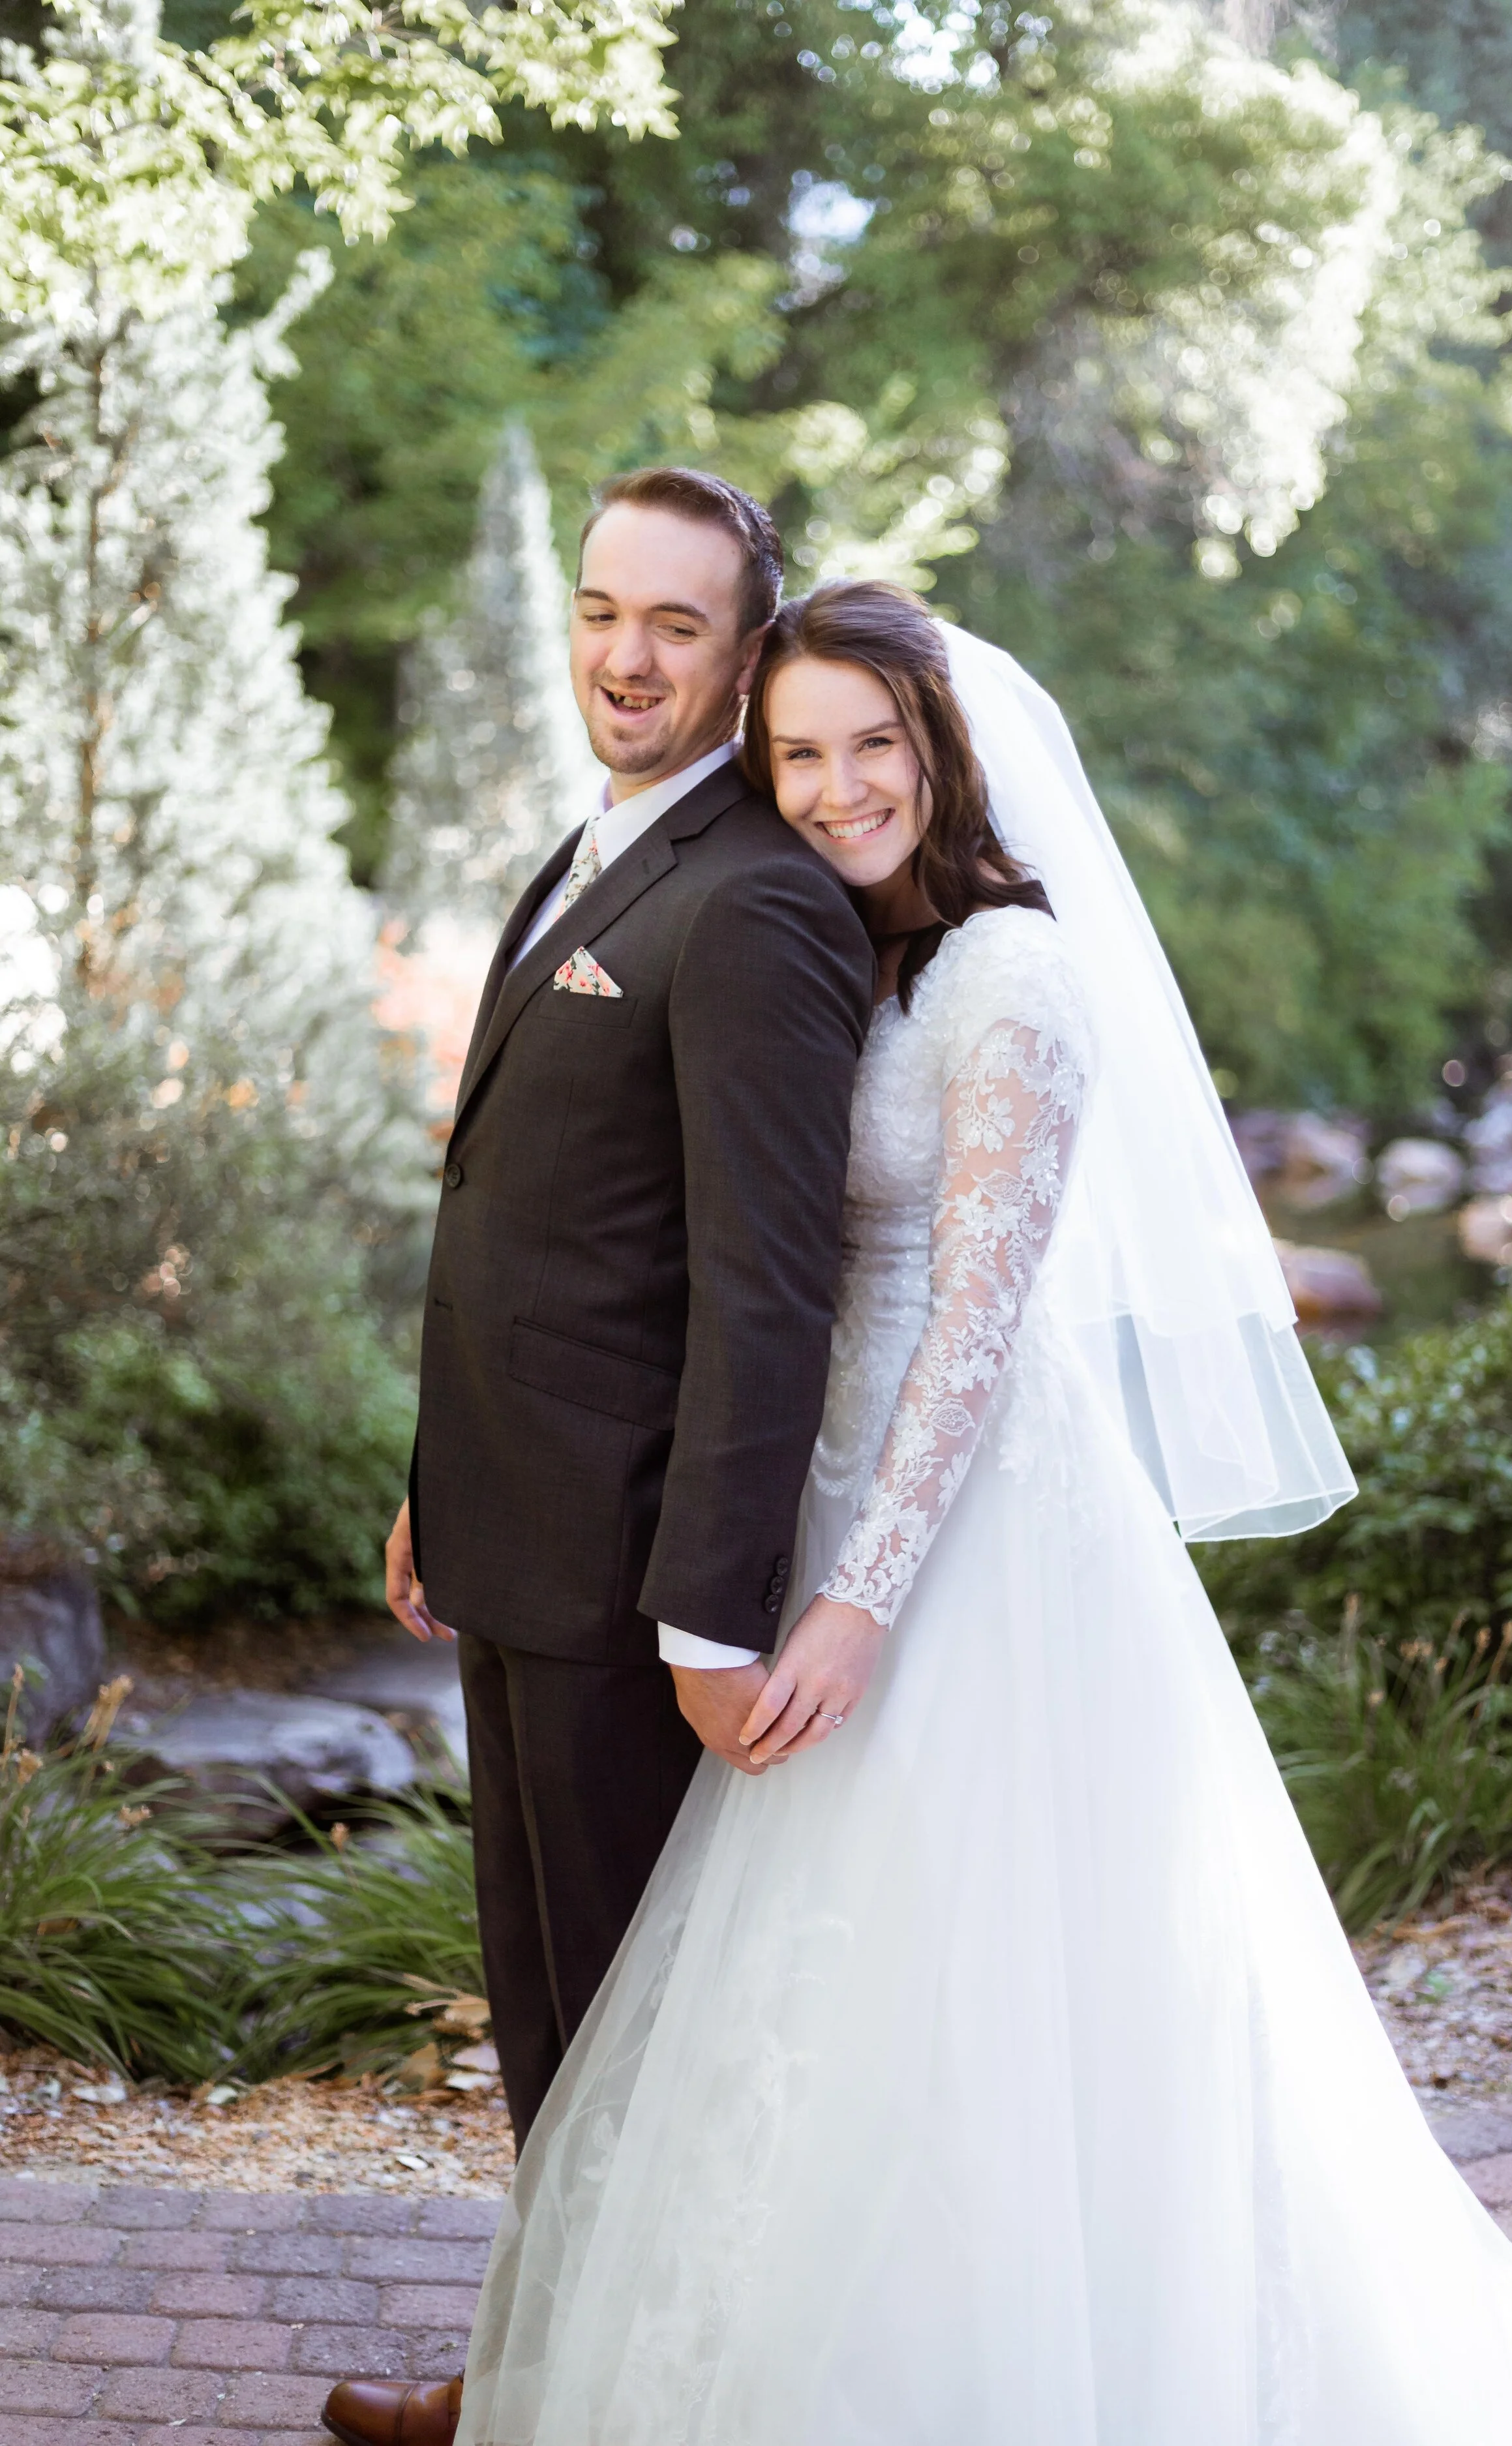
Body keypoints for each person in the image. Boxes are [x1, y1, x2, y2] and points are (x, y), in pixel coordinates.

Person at [449, 581, 1512, 2445]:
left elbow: (979, 1338)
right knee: (813, 1995)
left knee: (992, 1966)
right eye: (800, 754)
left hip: (976, 1528)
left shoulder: (1013, 974)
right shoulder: (840, 955)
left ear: (939, 752)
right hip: (812, 1489)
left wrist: (857, 1599)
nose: (837, 788)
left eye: (871, 747)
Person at [321, 477, 874, 2446]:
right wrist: (435, 1477)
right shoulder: (591, 852)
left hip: (640, 1587)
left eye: (677, 627)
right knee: (560, 2027)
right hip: (510, 1534)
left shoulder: (759, 904)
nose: (624, 658)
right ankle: (550, 2382)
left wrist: (711, 1613)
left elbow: (764, 1291)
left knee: (643, 2038)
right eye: (600, 612)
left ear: (750, 653)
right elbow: (529, 1220)